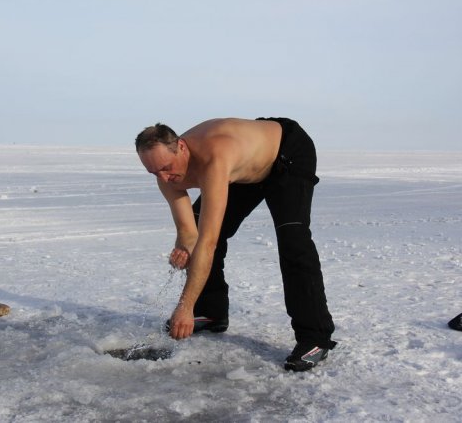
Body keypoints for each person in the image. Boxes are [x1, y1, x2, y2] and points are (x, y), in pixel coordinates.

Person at [135, 117, 336, 371]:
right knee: (200, 225)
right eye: (154, 172)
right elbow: (189, 233)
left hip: (287, 153)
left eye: (166, 167)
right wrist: (184, 248)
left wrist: (185, 306)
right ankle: (211, 311)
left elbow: (207, 243)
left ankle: (315, 339)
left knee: (293, 240)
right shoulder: (165, 173)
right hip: (247, 170)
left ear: (182, 148)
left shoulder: (214, 159)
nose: (163, 178)